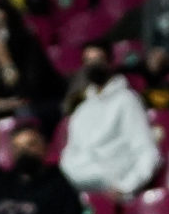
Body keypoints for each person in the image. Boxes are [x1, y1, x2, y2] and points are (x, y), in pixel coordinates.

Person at [56, 51, 158, 198]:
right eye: (88, 61)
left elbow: (147, 151)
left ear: (110, 63)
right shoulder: (80, 111)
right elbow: (69, 155)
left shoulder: (127, 100)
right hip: (78, 192)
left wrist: (126, 186)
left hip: (115, 192)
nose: (93, 65)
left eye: (98, 59)